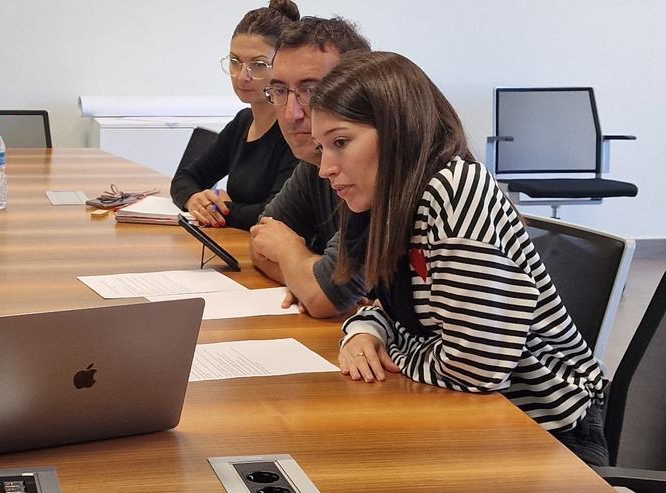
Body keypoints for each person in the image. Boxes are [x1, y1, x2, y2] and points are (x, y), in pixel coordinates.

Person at [316, 51, 608, 466]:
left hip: (550, 433)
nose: (325, 167)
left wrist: (393, 353)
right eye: (322, 147)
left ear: (399, 130)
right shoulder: (396, 200)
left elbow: (476, 368)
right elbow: (392, 307)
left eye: (340, 142)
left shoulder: (454, 194)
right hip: (479, 414)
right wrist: (366, 332)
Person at [247, 16, 370, 318]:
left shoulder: (376, 173)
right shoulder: (315, 162)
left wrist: (295, 262)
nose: (291, 113)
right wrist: (303, 276)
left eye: (311, 90)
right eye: (279, 91)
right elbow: (260, 242)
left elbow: (322, 297)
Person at [170, 0, 299, 230]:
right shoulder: (243, 122)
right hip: (239, 242)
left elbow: (274, 212)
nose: (242, 76)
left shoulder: (294, 130)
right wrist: (194, 200)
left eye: (258, 65)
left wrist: (220, 209)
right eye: (235, 62)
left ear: (283, 65)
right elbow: (184, 179)